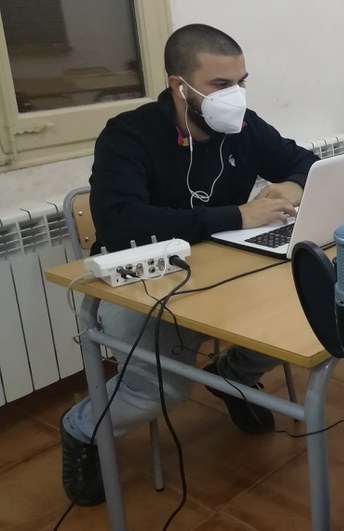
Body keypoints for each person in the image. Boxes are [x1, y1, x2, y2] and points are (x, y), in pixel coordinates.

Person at [60, 23, 318, 506]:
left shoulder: (243, 127)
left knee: (303, 313)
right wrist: (237, 215)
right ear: (180, 86)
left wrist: (292, 186)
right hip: (144, 280)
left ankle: (232, 376)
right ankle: (80, 428)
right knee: (156, 393)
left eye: (241, 82)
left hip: (225, 268)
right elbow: (121, 222)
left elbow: (305, 162)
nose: (235, 96)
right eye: (221, 85)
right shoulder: (128, 135)